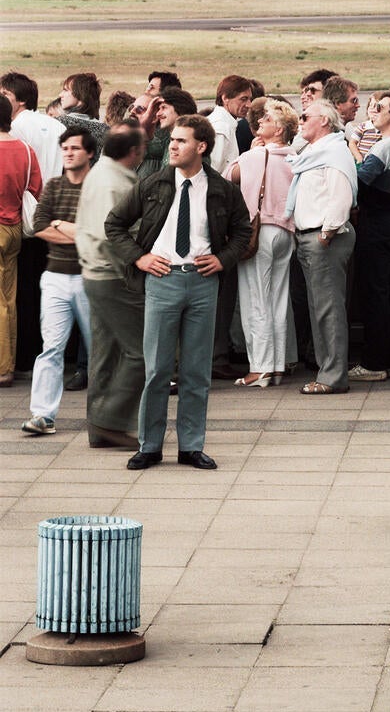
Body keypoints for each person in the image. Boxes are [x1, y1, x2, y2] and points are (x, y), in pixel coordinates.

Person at [106, 115, 249, 470]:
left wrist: (223, 259)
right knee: (156, 370)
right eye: (172, 140)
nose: (172, 146)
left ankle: (191, 447)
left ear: (201, 146)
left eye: (181, 141)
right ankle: (150, 445)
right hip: (162, 281)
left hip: (202, 283)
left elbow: (243, 231)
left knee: (197, 371)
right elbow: (115, 225)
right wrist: (139, 258)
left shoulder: (221, 189)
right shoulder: (152, 184)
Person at [76, 125, 147, 447]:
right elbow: (112, 237)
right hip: (113, 277)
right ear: (134, 153)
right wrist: (136, 275)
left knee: (104, 354)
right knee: (142, 351)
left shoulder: (102, 169)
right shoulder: (116, 184)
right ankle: (111, 421)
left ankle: (100, 426)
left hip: (93, 274)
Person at [21, 129, 96, 436]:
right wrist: (78, 233)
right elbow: (38, 226)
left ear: (89, 153)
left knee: (100, 351)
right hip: (54, 277)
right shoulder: (53, 186)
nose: (67, 153)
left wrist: (62, 225)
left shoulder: (97, 189)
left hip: (90, 279)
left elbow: (100, 233)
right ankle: (42, 414)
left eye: (75, 148)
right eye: (64, 147)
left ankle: (108, 416)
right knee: (50, 348)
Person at [287, 99, 358, 394]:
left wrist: (326, 234)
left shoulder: (334, 153)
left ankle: (332, 376)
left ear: (325, 121)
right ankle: (326, 370)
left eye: (305, 116)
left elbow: (340, 197)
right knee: (320, 308)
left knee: (328, 309)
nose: (300, 121)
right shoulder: (314, 152)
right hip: (310, 236)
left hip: (324, 237)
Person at [228, 99, 297, 387]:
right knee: (278, 299)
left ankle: (259, 367)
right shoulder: (294, 156)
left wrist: (251, 151)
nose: (260, 122)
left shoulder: (256, 156)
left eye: (267, 118)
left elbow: (228, 176)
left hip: (259, 231)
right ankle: (277, 364)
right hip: (286, 231)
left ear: (278, 128)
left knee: (255, 298)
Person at [346, 92, 390, 382]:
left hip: (376, 221)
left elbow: (360, 180)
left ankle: (374, 362)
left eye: (380, 108)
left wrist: (354, 155)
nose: (374, 112)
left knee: (374, 290)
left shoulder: (385, 147)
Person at [0, 96, 45, 386]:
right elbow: (37, 190)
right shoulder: (26, 151)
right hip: (15, 227)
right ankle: (9, 363)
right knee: (9, 298)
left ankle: (3, 367)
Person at [204, 75, 253, 174]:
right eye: (243, 99)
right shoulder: (221, 128)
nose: (249, 105)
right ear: (225, 98)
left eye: (249, 99)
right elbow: (213, 172)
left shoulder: (223, 123)